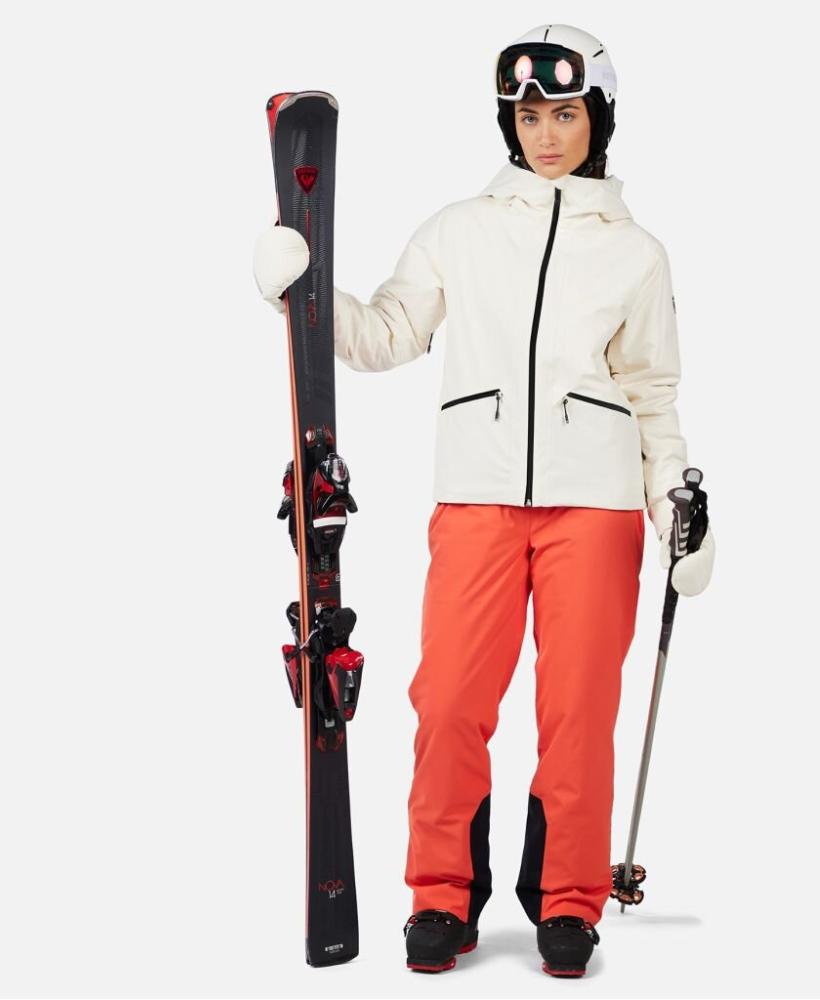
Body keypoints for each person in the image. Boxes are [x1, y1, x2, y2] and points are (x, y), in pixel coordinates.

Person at [254, 22, 716, 978]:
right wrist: (305, 293)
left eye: (566, 114)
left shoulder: (637, 253)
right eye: (529, 116)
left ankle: (568, 901)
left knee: (578, 711)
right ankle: (441, 894)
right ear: (509, 124)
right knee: (451, 699)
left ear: (599, 119)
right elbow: (385, 334)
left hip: (597, 507)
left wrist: (674, 497)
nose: (546, 134)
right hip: (477, 496)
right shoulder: (459, 229)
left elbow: (653, 391)